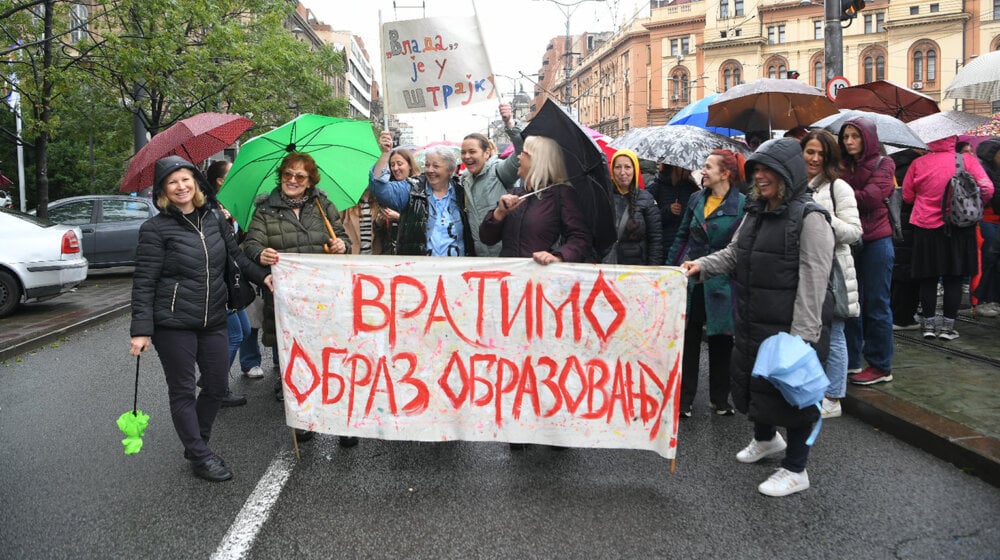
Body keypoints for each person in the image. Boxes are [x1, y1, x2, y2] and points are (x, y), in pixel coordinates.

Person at [682, 138, 834, 497]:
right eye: (757, 170)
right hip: (753, 317)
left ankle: (796, 468)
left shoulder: (810, 219)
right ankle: (766, 439)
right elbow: (735, 253)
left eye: (769, 171)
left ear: (788, 174)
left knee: (794, 396)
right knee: (754, 383)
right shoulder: (755, 210)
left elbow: (815, 281)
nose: (761, 177)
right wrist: (701, 265)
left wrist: (803, 338)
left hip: (791, 326)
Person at [129, 155, 272, 482]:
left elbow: (236, 258)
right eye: (172, 182)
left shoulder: (213, 220)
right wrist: (141, 331)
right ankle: (200, 454)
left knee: (216, 384)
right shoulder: (155, 229)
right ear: (163, 190)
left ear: (196, 183)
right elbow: (145, 282)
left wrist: (264, 277)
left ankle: (197, 443)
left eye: (185, 179)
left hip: (214, 318)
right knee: (182, 391)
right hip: (172, 324)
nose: (180, 186)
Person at [241, 152, 353, 446]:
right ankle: (306, 420)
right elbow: (250, 243)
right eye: (287, 175)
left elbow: (344, 240)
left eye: (300, 176)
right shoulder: (265, 209)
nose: (292, 180)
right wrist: (258, 253)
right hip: (288, 302)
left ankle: (342, 421)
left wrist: (343, 244)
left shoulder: (323, 205)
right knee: (300, 363)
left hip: (325, 296)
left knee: (333, 357)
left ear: (310, 180)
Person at [667, 149, 745, 418]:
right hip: (691, 278)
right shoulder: (695, 198)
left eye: (709, 167)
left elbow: (741, 249)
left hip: (723, 281)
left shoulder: (743, 205)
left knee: (722, 340)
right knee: (688, 338)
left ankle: (720, 399)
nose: (703, 171)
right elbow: (682, 237)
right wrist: (670, 270)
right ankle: (685, 399)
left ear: (725, 174)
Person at [903, 135, 993, 340]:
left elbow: (908, 196)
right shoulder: (966, 161)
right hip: (960, 228)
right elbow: (987, 188)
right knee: (954, 277)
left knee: (928, 278)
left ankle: (928, 325)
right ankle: (947, 328)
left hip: (925, 227)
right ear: (952, 139)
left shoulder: (919, 163)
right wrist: (973, 208)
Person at [801, 130, 863, 419]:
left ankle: (834, 396)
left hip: (833, 268)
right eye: (809, 152)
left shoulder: (839, 188)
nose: (814, 158)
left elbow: (854, 232)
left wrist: (824, 218)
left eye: (820, 154)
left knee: (835, 331)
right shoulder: (795, 184)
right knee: (809, 333)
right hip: (804, 268)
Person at [838, 116, 897, 386]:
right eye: (846, 137)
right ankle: (851, 360)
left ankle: (880, 365)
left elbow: (873, 197)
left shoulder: (885, 163)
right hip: (850, 240)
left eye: (855, 136)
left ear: (868, 138)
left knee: (876, 304)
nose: (850, 141)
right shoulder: (841, 164)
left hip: (876, 240)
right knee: (850, 303)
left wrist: (844, 196)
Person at [479, 135, 594, 264]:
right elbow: (486, 238)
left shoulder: (561, 194)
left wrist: (558, 257)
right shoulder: (516, 193)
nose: (518, 157)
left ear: (537, 159)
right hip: (509, 275)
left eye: (523, 153)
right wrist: (499, 213)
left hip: (540, 276)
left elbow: (580, 238)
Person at [371, 132, 476, 257]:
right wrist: (385, 154)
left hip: (455, 271)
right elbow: (380, 190)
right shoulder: (412, 188)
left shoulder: (462, 191)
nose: (430, 170)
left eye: (436, 166)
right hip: (421, 271)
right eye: (427, 165)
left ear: (450, 170)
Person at [205, 160, 253, 408]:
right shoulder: (208, 208)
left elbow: (235, 244)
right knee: (234, 334)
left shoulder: (224, 205)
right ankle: (216, 387)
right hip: (220, 283)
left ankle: (212, 381)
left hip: (233, 282)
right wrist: (220, 220)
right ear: (220, 181)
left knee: (243, 331)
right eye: (231, 171)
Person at [460, 103, 523, 256]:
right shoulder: (465, 180)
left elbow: (522, 149)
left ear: (487, 153)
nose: (467, 157)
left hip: (506, 257)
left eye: (472, 151)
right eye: (463, 152)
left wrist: (509, 123)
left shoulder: (500, 170)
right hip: (481, 258)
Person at [607, 149, 663, 265]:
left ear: (635, 170)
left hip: (636, 269)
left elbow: (655, 240)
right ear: (612, 170)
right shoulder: (604, 197)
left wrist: (652, 270)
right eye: (618, 167)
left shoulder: (646, 199)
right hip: (607, 266)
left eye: (627, 167)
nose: (622, 172)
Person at [647, 163, 699, 260]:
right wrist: (668, 211)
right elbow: (648, 220)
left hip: (684, 249)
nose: (689, 170)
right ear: (676, 166)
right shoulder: (656, 187)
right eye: (686, 166)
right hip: (661, 248)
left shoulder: (692, 190)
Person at [974, 139, 1000, 317]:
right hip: (987, 219)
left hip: (995, 219)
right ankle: (981, 299)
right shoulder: (984, 170)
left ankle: (992, 298)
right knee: (988, 259)